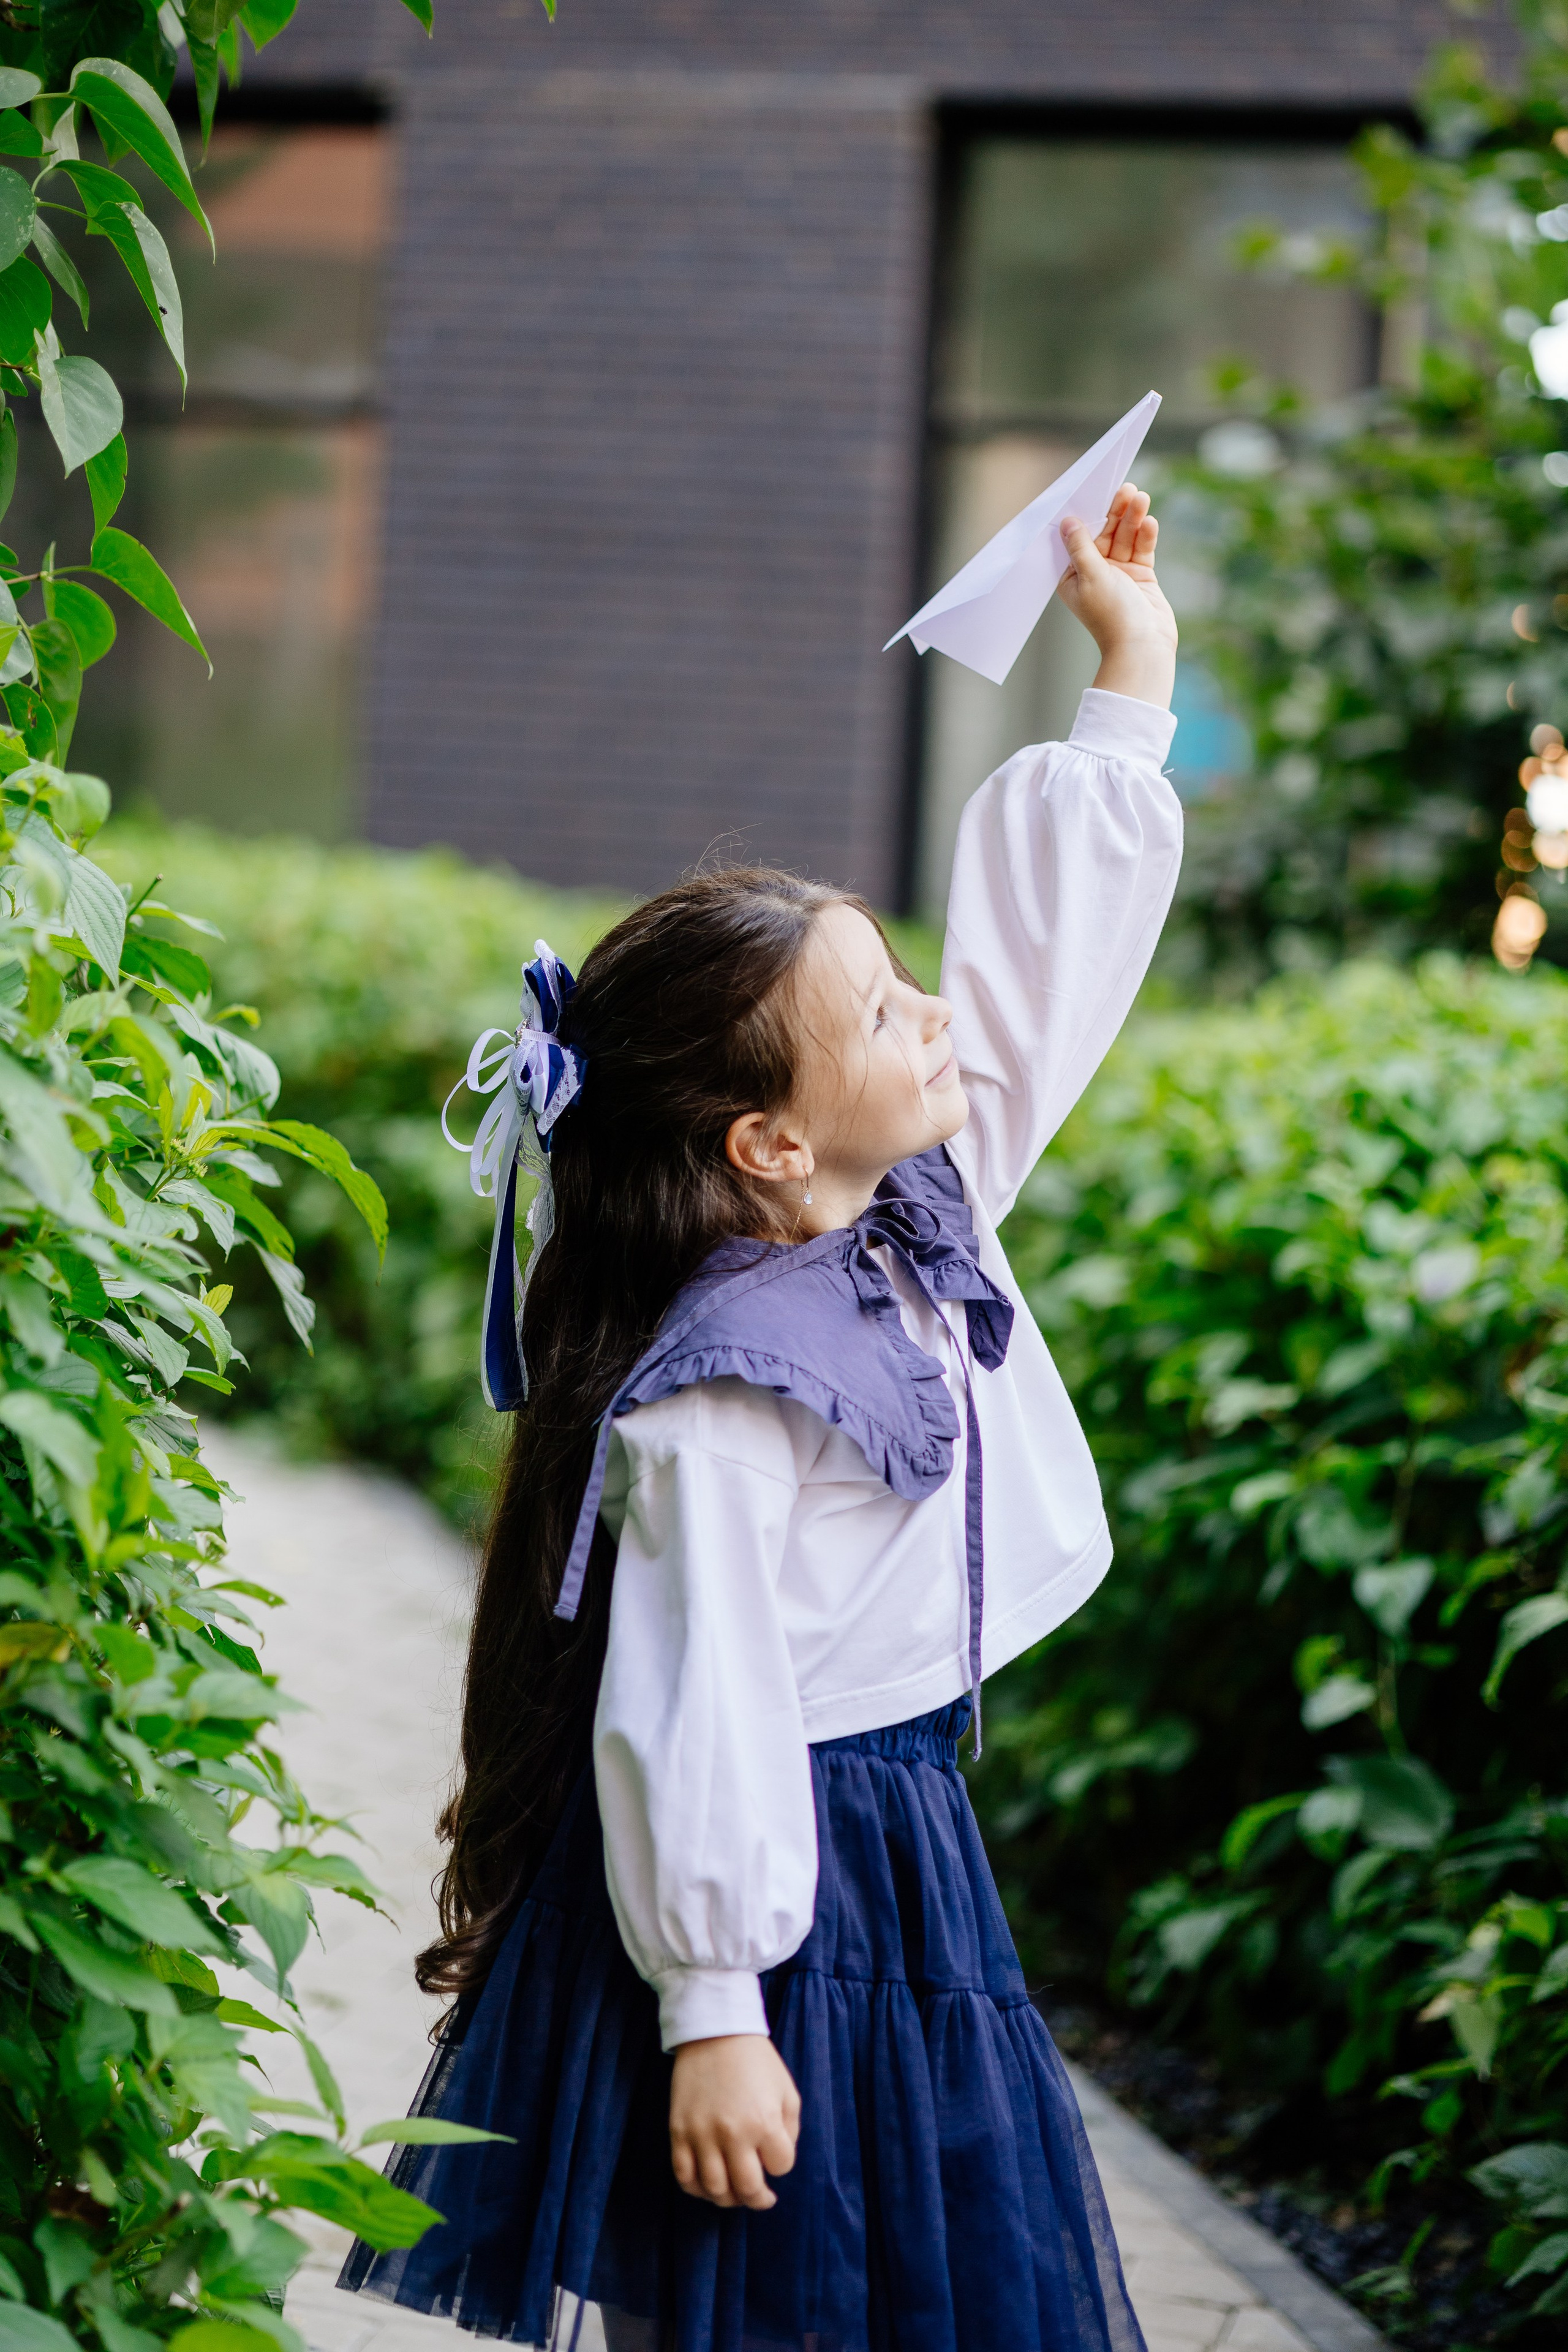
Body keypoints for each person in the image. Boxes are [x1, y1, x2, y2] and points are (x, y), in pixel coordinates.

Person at [339, 486, 1182, 2352]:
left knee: (865, 2288)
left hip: (895, 1839)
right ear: (769, 1146)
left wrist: (1128, 685)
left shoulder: (906, 1204)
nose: (937, 1021)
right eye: (887, 1012)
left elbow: (1034, 992)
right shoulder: (719, 1387)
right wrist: (715, 2006)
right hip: (765, 1874)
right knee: (751, 2290)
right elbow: (687, 1693)